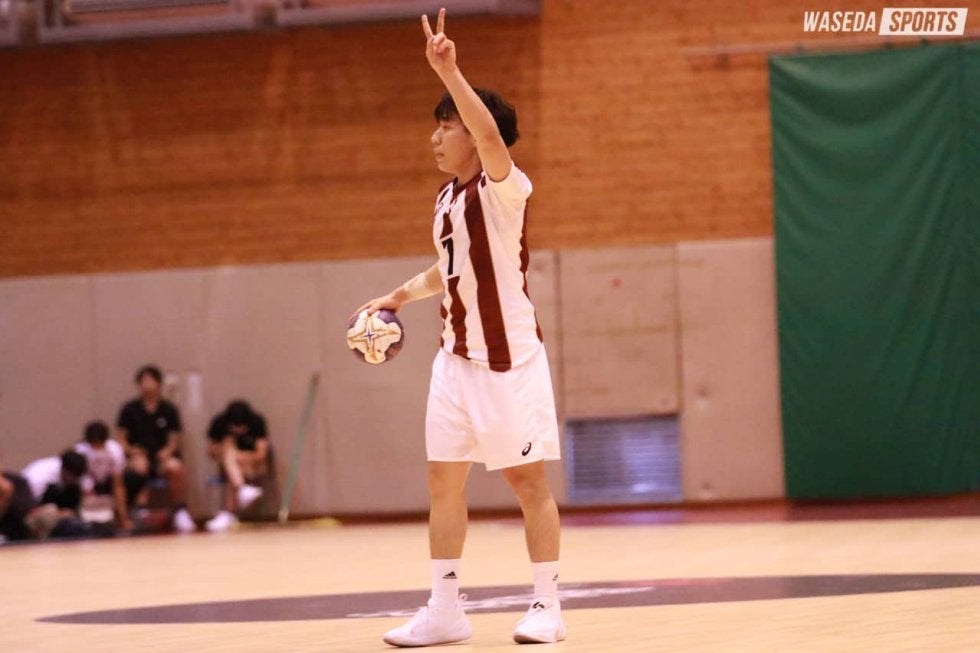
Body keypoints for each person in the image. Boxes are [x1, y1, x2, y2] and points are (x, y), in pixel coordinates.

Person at [353, 9, 565, 646]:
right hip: (454, 360)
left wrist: (449, 70)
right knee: (443, 481)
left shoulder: (505, 188)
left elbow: (492, 137)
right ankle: (445, 609)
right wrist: (400, 294)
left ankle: (547, 606)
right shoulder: (447, 200)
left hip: (507, 360)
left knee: (528, 484)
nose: (435, 138)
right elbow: (450, 271)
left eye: (446, 127)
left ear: (474, 135)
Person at [117, 364, 195, 533]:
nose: (147, 384)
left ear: (159, 384)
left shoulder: (169, 410)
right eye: (143, 381)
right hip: (139, 456)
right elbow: (121, 440)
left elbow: (174, 439)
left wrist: (167, 451)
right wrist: (132, 450)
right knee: (140, 467)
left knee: (175, 467)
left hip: (161, 458)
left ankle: (180, 511)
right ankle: (139, 511)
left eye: (150, 380)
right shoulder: (129, 409)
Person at [204, 400, 269, 532]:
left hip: (252, 466)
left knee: (233, 467)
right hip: (227, 465)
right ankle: (242, 490)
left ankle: (229, 512)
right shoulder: (220, 423)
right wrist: (224, 448)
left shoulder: (256, 422)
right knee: (229, 450)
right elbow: (210, 452)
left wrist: (241, 457)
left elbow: (261, 454)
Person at [75, 421, 132, 531]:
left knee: (131, 479)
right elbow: (83, 480)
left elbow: (118, 483)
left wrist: (123, 516)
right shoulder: (81, 451)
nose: (97, 448)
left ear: (105, 441)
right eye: (93, 445)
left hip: (108, 481)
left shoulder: (115, 450)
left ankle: (122, 518)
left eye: (99, 444)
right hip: (89, 482)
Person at [21, 449, 88, 512]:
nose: (75, 481)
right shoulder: (40, 478)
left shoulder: (74, 473)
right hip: (28, 501)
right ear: (65, 471)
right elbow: (30, 505)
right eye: (73, 478)